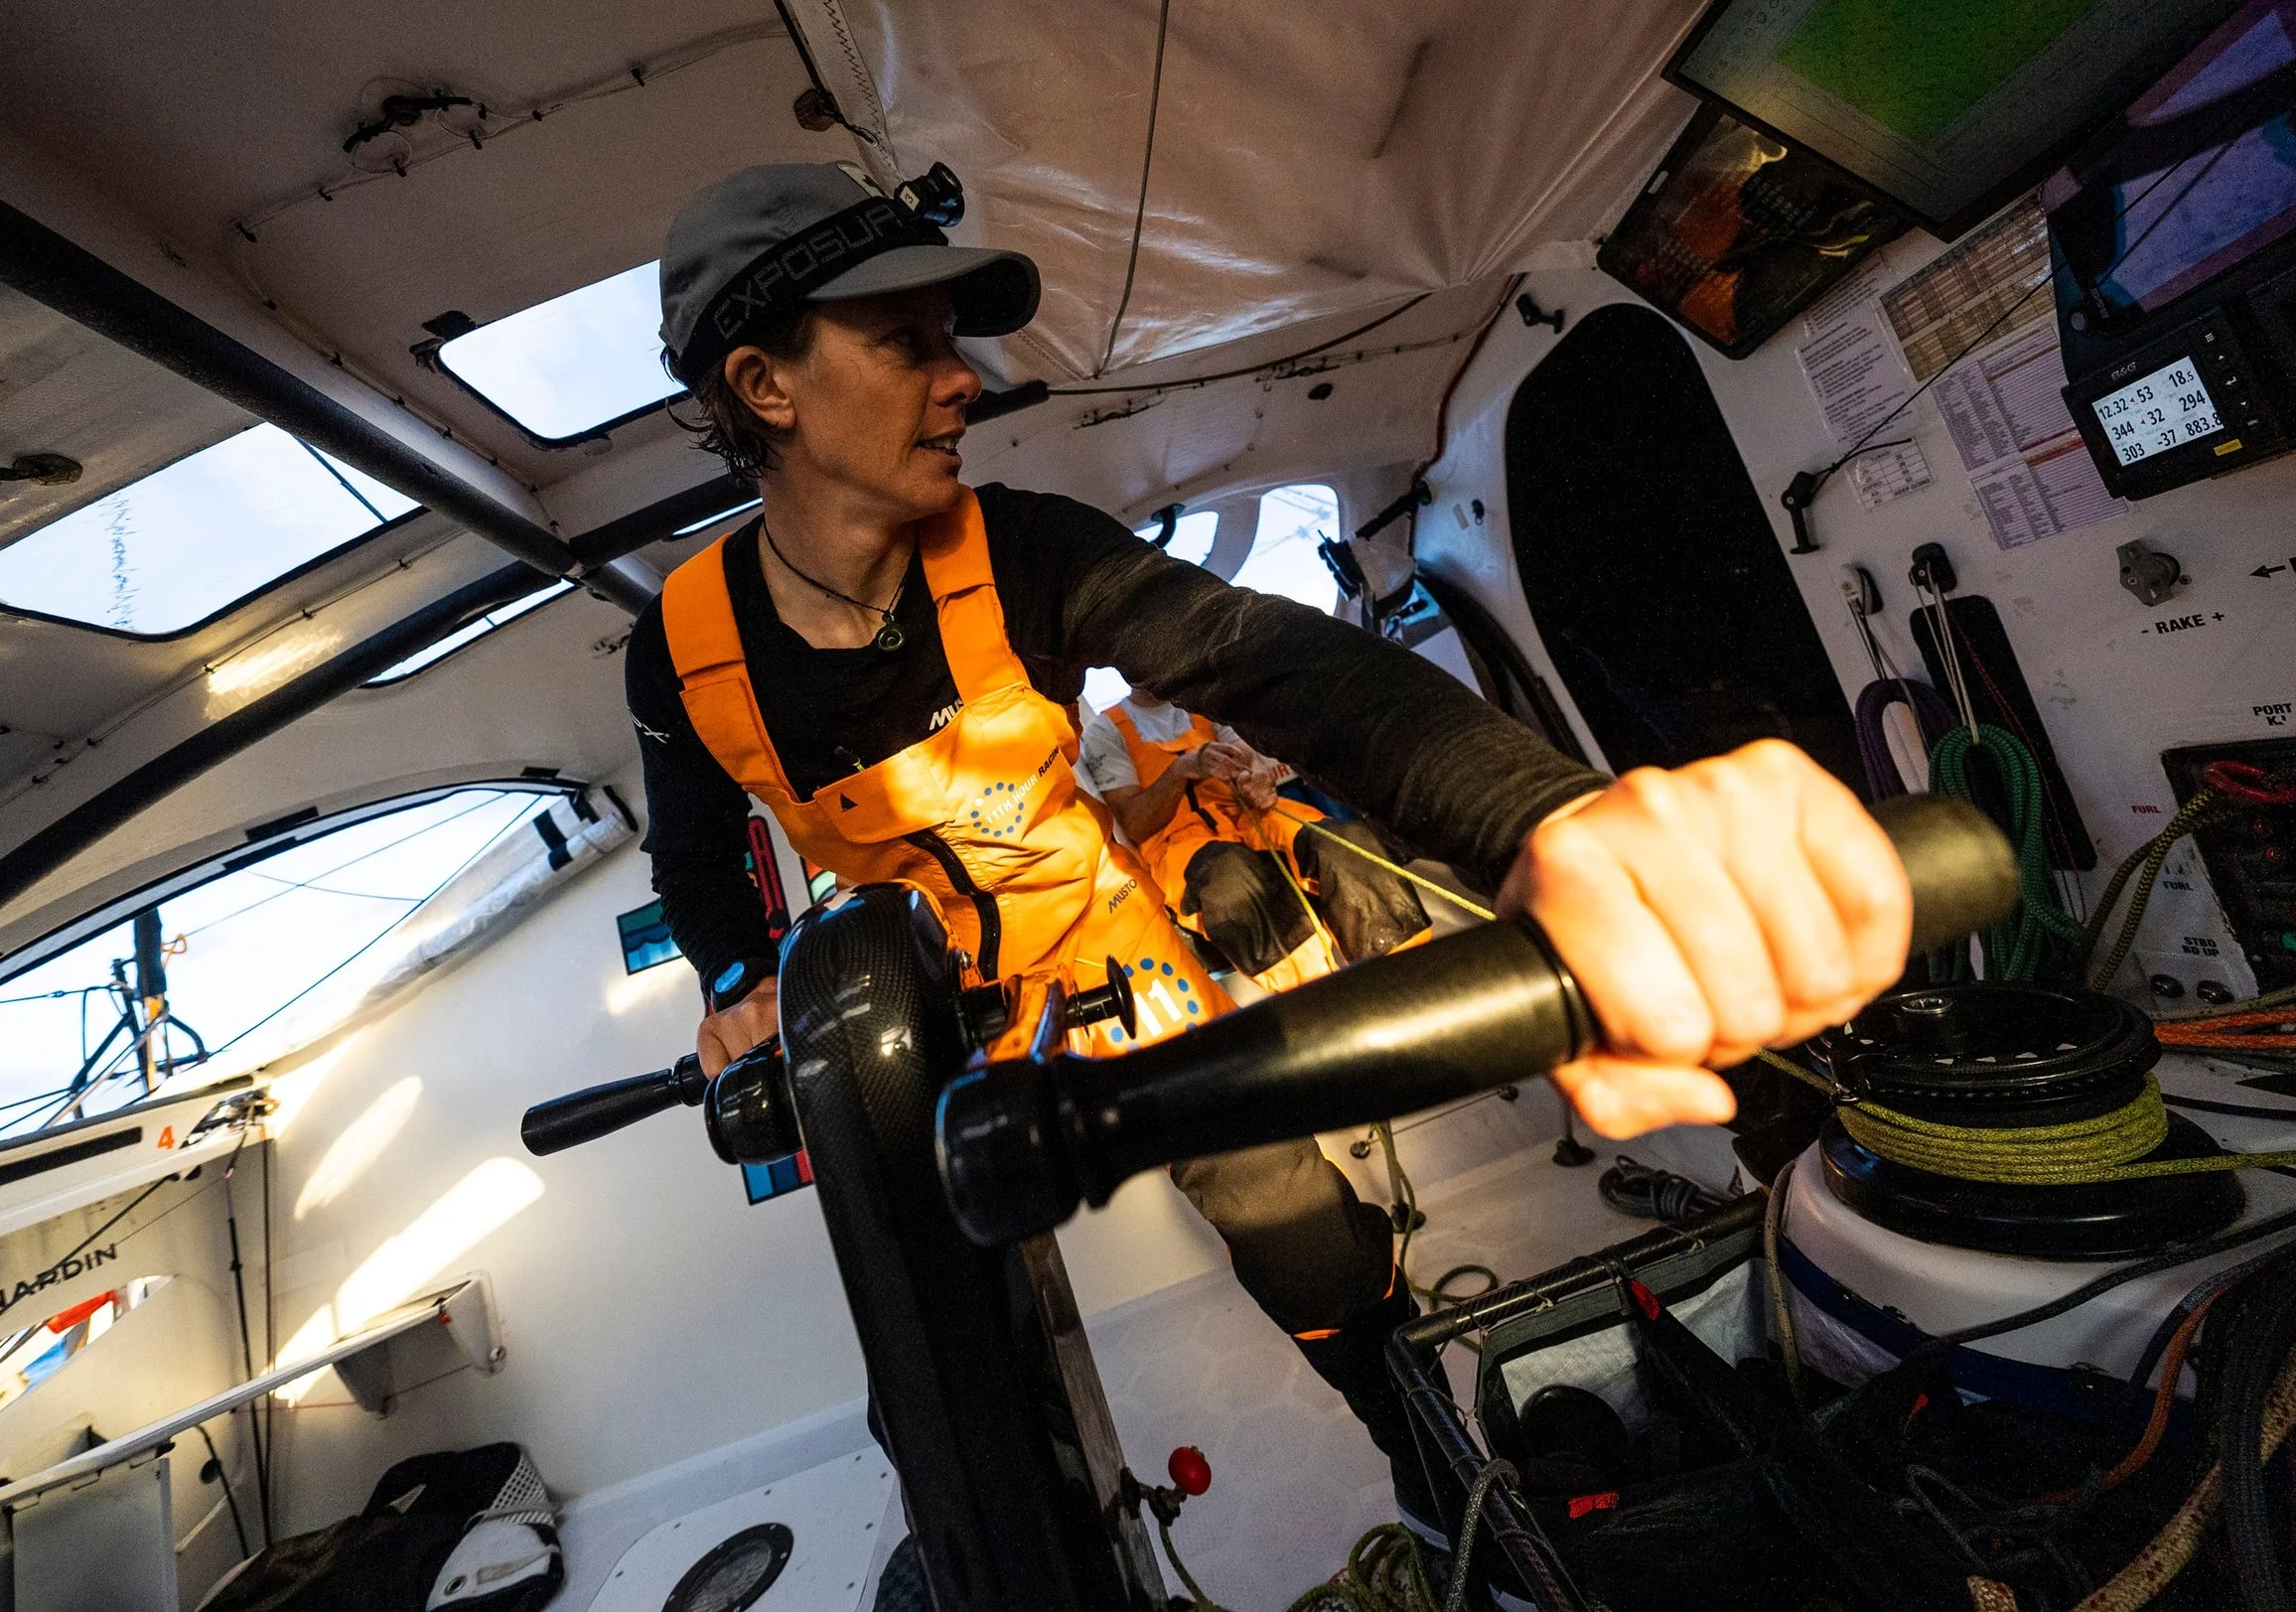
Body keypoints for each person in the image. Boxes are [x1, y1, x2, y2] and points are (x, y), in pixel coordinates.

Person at [621, 162, 1912, 1537]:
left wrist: (1547, 817)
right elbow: (696, 864)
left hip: (1103, 955)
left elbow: (1272, 660)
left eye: (952, 341)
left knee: (1295, 1228)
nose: (963, 381)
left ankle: (1432, 1468)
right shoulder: (680, 652)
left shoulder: (1025, 550)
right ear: (766, 385)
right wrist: (737, 978)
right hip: (902, 1003)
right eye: (910, 345)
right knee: (933, 1359)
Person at [1078, 682, 1428, 991]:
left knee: (1345, 841)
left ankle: (1412, 976)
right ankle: (1318, 997)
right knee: (1231, 880)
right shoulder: (1105, 732)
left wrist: (1256, 781)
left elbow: (1252, 765)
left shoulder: (1204, 703)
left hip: (1249, 819)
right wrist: (1182, 769)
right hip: (1182, 847)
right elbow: (1136, 822)